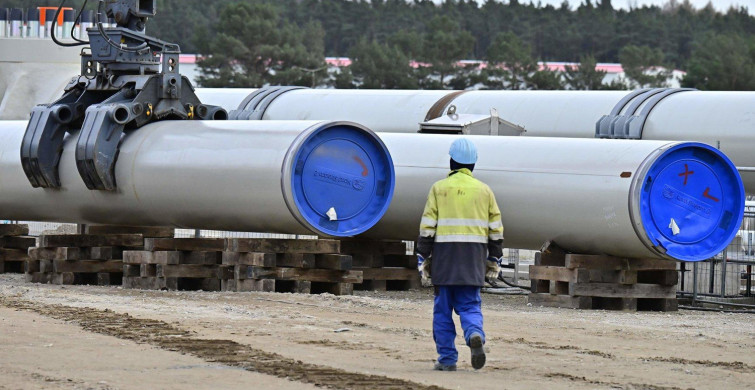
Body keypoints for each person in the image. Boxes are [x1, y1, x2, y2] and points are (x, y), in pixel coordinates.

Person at [416, 138, 504, 371]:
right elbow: (496, 230)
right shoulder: (485, 191)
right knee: (469, 306)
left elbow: (427, 227)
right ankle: (474, 333)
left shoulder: (438, 189)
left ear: (452, 162)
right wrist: (494, 258)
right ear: (473, 164)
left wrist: (422, 257)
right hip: (473, 260)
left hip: (444, 259)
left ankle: (447, 360)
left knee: (442, 310)